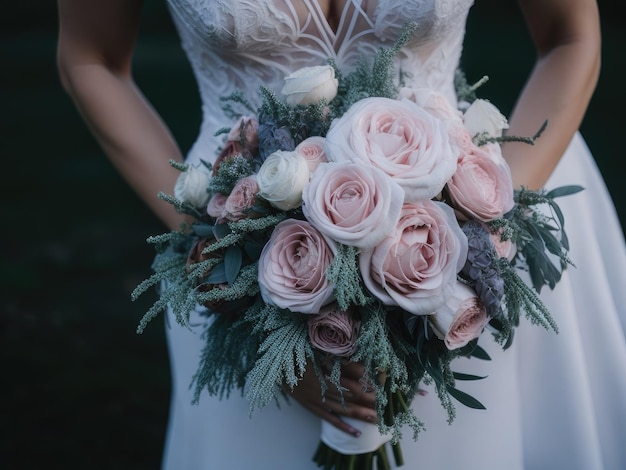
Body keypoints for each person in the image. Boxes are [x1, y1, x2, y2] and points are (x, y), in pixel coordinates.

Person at [57, 1, 626, 468]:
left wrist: (487, 225)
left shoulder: (473, 247)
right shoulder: (226, 257)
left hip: (455, 258)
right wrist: (222, 263)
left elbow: (570, 39)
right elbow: (91, 58)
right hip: (233, 242)